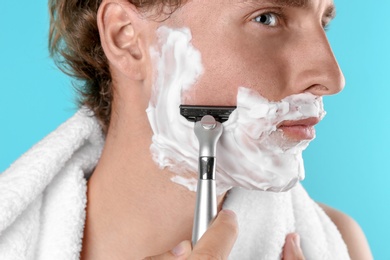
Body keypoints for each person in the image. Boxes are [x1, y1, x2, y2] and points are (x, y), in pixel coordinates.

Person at [0, 0, 373, 259]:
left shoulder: (341, 245)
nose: (331, 76)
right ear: (125, 37)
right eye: (267, 18)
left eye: (323, 22)